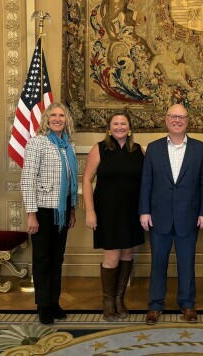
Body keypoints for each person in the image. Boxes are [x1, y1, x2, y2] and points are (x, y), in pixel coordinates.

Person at [139, 103, 203, 325]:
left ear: (188, 121)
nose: (177, 120)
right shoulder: (153, 148)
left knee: (186, 262)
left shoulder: (201, 150)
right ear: (166, 119)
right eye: (173, 116)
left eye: (182, 117)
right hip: (158, 216)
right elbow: (146, 182)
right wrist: (144, 211)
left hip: (189, 217)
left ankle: (187, 304)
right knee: (158, 262)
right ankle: (155, 305)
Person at [82, 110, 145, 322]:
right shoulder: (99, 149)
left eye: (123, 124)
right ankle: (108, 300)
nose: (119, 127)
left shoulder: (138, 151)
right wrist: (90, 211)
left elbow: (146, 183)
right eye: (115, 124)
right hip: (106, 212)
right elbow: (87, 181)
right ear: (110, 128)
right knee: (111, 258)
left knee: (127, 254)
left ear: (130, 128)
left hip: (131, 212)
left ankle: (120, 299)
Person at [20, 102, 78, 325]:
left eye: (61, 115)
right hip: (43, 210)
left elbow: (72, 181)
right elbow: (27, 179)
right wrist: (31, 214)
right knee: (42, 258)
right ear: (46, 119)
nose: (57, 118)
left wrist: (72, 208)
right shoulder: (38, 143)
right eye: (53, 115)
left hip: (62, 210)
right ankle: (43, 305)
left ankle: (54, 302)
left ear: (66, 120)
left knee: (57, 258)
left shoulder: (68, 145)